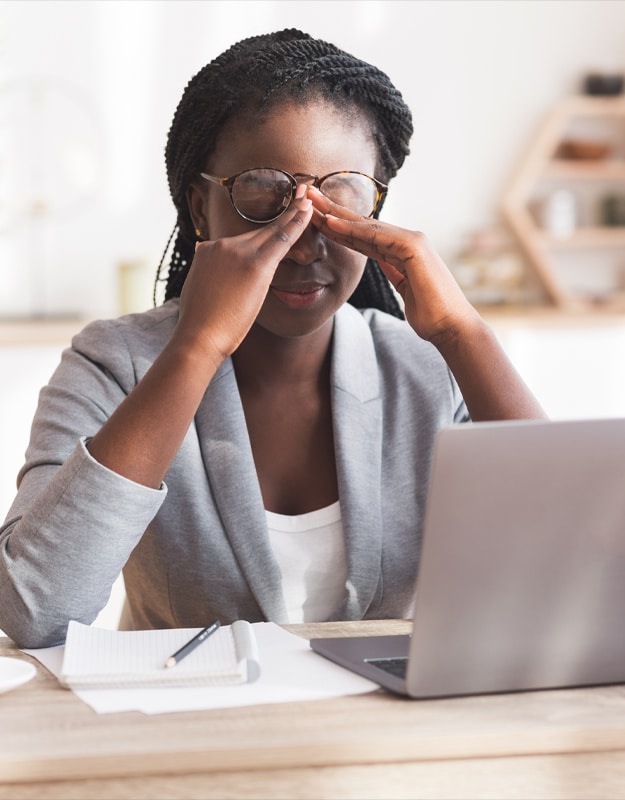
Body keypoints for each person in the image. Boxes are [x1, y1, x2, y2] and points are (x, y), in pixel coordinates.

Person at [0, 29, 545, 648]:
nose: (307, 241)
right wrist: (197, 347)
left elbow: (568, 563)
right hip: (180, 731)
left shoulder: (422, 368)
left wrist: (461, 332)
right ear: (201, 209)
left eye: (340, 201)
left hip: (382, 732)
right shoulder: (114, 363)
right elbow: (34, 611)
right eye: (264, 198)